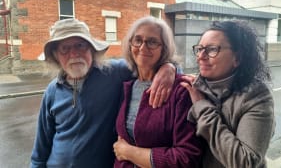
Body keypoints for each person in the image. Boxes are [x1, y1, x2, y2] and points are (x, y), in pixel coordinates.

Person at [30, 18, 177, 168]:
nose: (74, 53)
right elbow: (40, 151)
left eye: (80, 45)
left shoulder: (114, 73)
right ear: (56, 55)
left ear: (92, 49)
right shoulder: (52, 91)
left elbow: (147, 61)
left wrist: (169, 67)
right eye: (64, 48)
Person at [181, 20, 275, 168]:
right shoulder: (194, 86)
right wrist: (167, 68)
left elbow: (245, 162)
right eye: (199, 49)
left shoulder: (256, 96)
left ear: (237, 58)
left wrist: (202, 107)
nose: (201, 56)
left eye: (212, 49)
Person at [113, 16, 204, 168]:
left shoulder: (181, 90)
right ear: (130, 45)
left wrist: (129, 152)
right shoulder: (127, 87)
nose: (143, 47)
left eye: (152, 42)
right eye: (138, 40)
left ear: (164, 48)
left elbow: (186, 158)